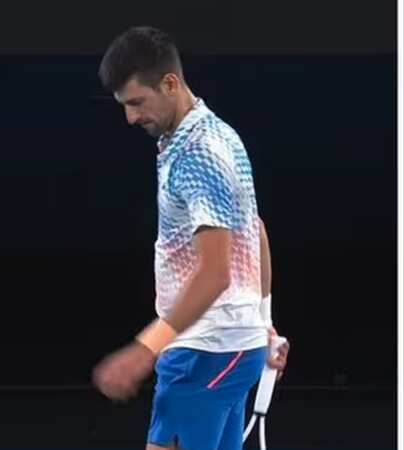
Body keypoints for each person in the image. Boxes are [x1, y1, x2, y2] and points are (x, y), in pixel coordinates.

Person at [91, 26, 289, 450]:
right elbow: (253, 230)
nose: (130, 118)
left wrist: (144, 350)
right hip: (233, 346)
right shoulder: (218, 136)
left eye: (137, 103)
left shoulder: (199, 154)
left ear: (170, 83)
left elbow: (216, 273)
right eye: (124, 106)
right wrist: (265, 322)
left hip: (206, 352)